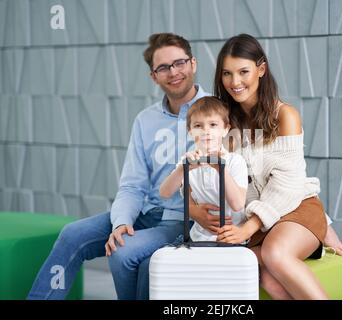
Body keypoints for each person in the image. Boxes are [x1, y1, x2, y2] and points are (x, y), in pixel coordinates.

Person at [27, 33, 215, 300]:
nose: (173, 72)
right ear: (154, 76)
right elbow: (132, 185)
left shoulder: (216, 113)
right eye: (163, 67)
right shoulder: (145, 120)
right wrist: (121, 222)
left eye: (179, 63)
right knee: (72, 234)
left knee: (125, 253)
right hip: (144, 212)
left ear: (193, 63)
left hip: (181, 219)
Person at [213, 34, 342, 299]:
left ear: (261, 69)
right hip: (260, 226)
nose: (235, 82)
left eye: (244, 72)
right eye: (227, 74)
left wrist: (249, 227)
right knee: (263, 275)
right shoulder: (224, 122)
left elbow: (288, 186)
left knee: (274, 254)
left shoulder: (284, 116)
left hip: (295, 210)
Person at [159, 96, 248, 242]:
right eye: (198, 126)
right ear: (190, 131)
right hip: (198, 238)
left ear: (226, 129)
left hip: (231, 238)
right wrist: (183, 169)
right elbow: (164, 192)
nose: (206, 131)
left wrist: (221, 169)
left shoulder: (235, 161)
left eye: (213, 125)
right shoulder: (187, 161)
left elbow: (238, 205)